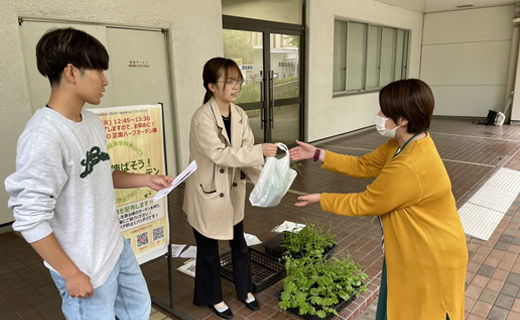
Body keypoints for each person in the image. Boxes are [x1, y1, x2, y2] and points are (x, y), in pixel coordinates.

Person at [4, 28, 173, 320]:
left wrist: (146, 179)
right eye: (98, 71)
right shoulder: (43, 136)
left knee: (139, 310)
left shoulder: (92, 122)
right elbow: (29, 218)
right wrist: (70, 273)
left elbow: (100, 173)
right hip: (84, 269)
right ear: (71, 72)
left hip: (114, 249)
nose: (105, 81)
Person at [289, 79, 467, 320]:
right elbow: (363, 165)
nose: (379, 114)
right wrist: (318, 154)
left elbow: (365, 203)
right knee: (396, 307)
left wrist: (322, 198)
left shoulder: (410, 165)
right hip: (411, 249)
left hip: (430, 256)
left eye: (384, 111)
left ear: (403, 119)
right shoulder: (404, 143)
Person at [183, 57, 278, 319]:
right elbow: (220, 154)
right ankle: (212, 296)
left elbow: (246, 154)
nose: (235, 87)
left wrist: (265, 183)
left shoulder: (239, 114)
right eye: (228, 81)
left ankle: (244, 289)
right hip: (208, 193)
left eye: (237, 81)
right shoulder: (202, 117)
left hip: (232, 191)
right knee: (209, 250)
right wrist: (260, 151)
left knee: (239, 243)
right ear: (211, 86)